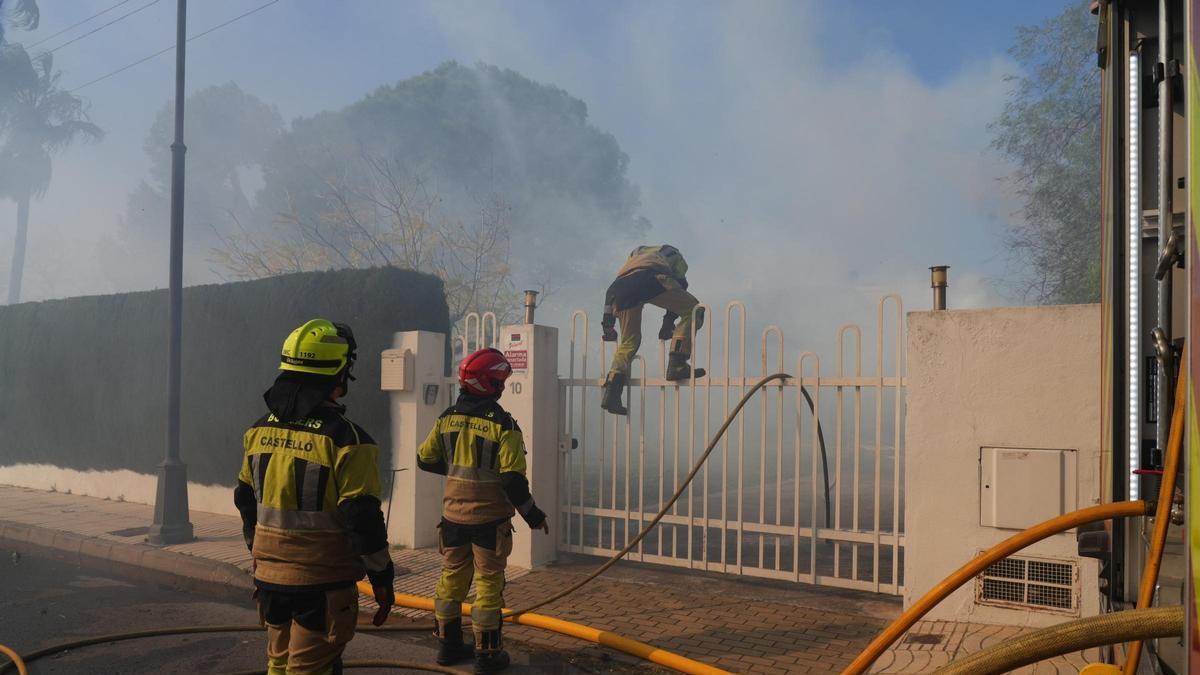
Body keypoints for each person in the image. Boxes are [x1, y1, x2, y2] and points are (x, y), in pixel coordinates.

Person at [234, 319, 395, 675]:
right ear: (339, 372)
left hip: (270, 579)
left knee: (278, 663)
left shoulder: (258, 430)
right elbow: (363, 518)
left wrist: (258, 551)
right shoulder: (348, 440)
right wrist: (382, 579)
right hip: (323, 584)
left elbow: (245, 498)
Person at [417, 347, 550, 673]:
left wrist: (457, 472)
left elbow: (425, 458)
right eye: (500, 381)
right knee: (489, 585)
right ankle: (487, 655)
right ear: (490, 385)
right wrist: (533, 515)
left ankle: (447, 647)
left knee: (450, 580)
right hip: (489, 522)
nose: (503, 387)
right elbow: (513, 481)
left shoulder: (446, 418)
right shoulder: (503, 426)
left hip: (452, 519)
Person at [601, 244, 706, 415]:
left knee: (629, 342)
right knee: (694, 310)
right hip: (650, 279)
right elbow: (680, 286)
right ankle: (677, 363)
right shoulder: (675, 254)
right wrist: (668, 322)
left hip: (620, 289)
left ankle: (611, 392)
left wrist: (608, 325)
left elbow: (611, 291)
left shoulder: (634, 254)